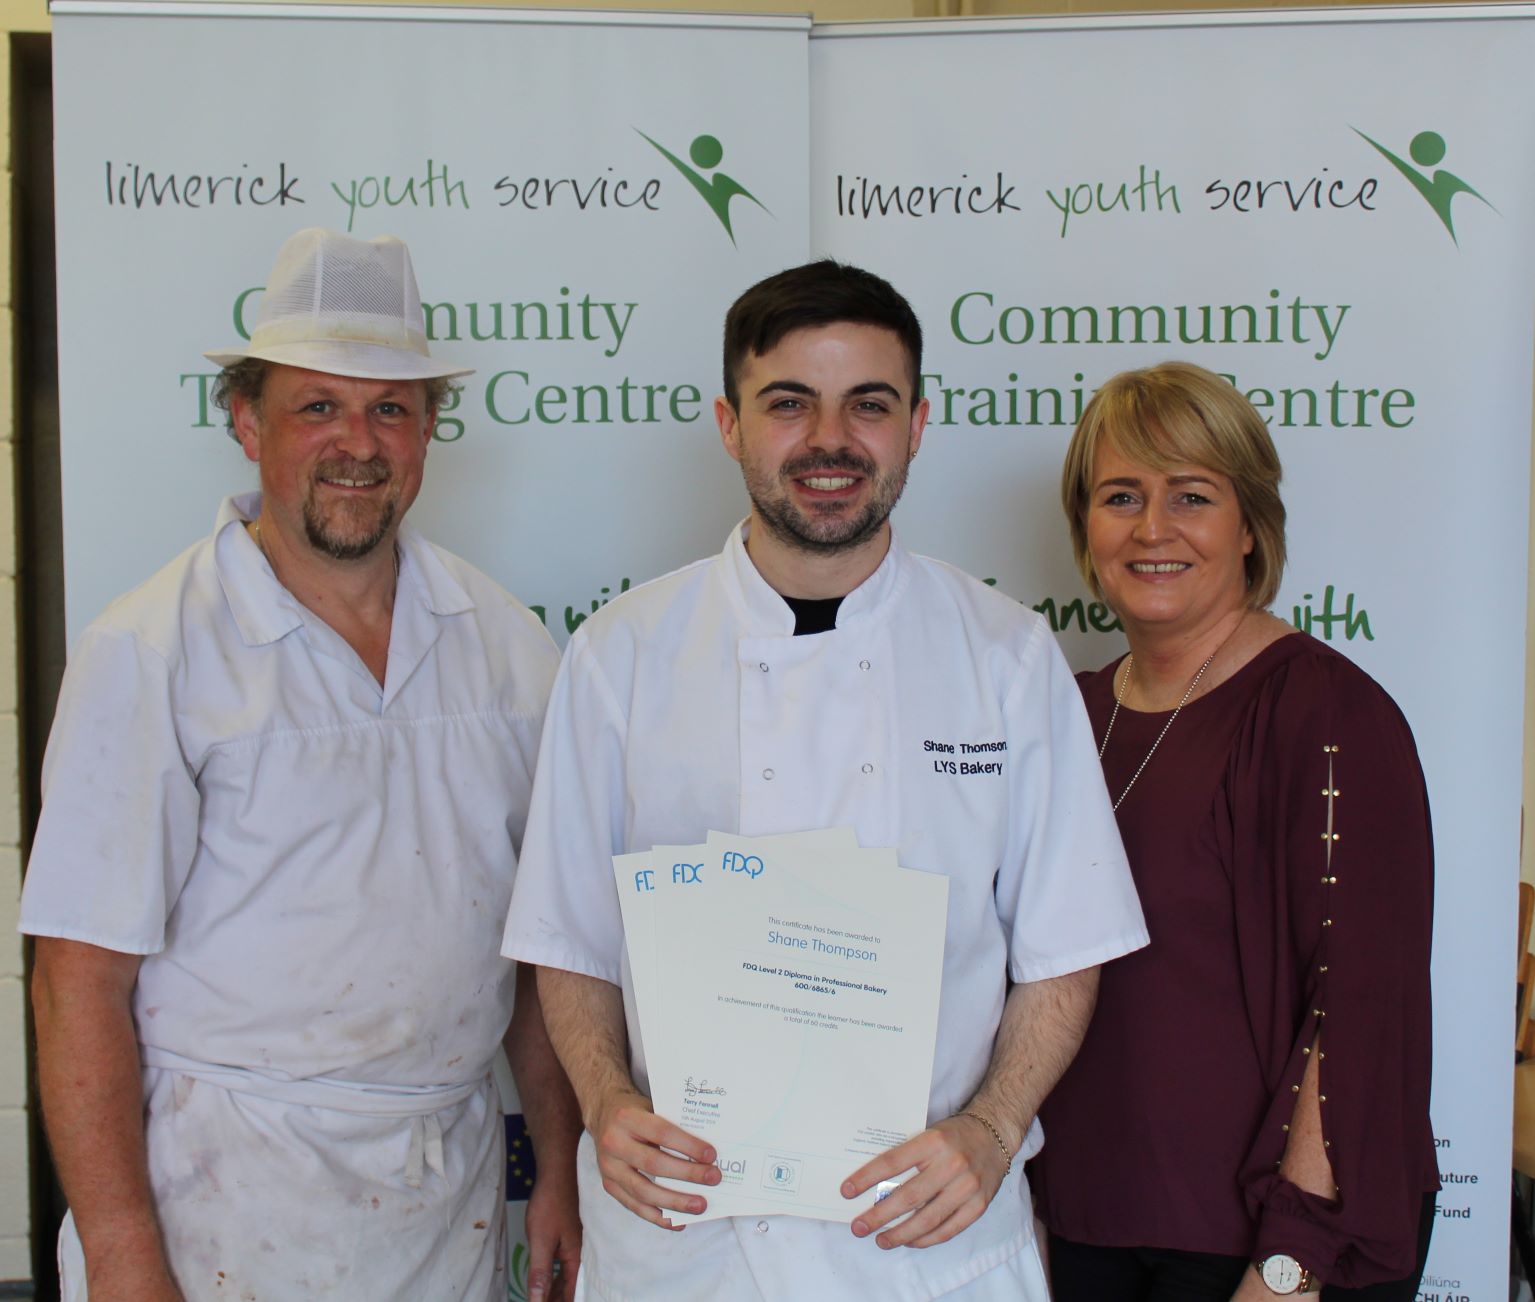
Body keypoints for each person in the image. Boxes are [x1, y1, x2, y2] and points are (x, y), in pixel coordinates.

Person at [501, 259, 1149, 1302]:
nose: (829, 441)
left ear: (918, 424)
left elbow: (1064, 948)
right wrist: (606, 1102)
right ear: (728, 422)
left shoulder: (1005, 658)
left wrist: (989, 1131)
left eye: (869, 405)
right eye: (788, 404)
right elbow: (568, 940)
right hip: (682, 1242)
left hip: (925, 1244)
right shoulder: (620, 655)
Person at [21, 228, 582, 1301]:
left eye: (389, 409)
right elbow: (76, 983)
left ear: (427, 431)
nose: (357, 443)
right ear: (245, 423)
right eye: (317, 406)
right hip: (219, 1198)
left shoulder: (508, 648)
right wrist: (123, 1252)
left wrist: (559, 1166)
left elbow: (535, 958)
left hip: (443, 1193)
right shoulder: (150, 651)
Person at [1033, 360, 1438, 1300]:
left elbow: (1357, 1007)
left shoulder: (1329, 713)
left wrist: (1291, 1259)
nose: (1151, 529)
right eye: (1121, 496)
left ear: (1250, 525)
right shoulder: (1067, 711)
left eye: (1192, 496)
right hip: (1084, 1227)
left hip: (1256, 1252)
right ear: (1084, 528)